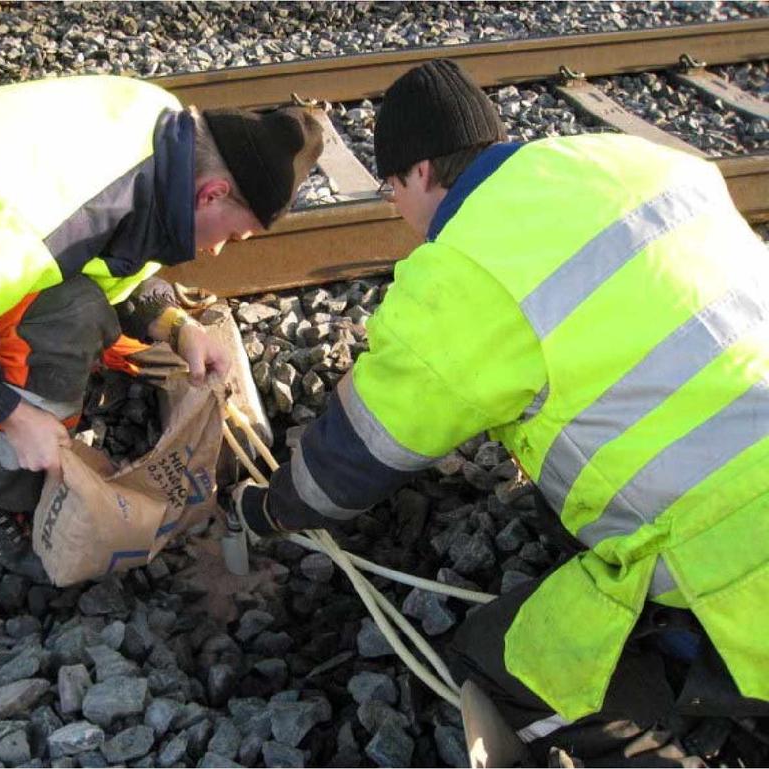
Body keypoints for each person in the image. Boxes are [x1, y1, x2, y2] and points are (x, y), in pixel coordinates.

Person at [233, 59, 768, 765]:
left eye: (392, 190)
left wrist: (268, 511)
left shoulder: (465, 261)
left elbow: (358, 452)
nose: (397, 210)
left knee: (507, 662)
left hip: (742, 560)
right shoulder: (639, 160)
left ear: (421, 173)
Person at [0, 75, 324, 573]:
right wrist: (12, 416)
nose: (214, 252)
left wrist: (172, 323)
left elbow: (107, 246)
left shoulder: (165, 134)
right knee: (72, 320)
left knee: (82, 308)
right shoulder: (29, 216)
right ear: (211, 194)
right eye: (229, 238)